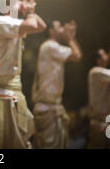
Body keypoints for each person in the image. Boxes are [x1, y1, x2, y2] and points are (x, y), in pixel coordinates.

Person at [0, 0, 46, 148]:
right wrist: (30, 12)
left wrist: (29, 11)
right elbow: (33, 25)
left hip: (10, 92)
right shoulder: (0, 21)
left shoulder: (10, 22)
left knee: (20, 141)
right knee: (8, 144)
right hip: (3, 94)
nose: (19, 2)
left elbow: (41, 27)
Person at [31, 20, 82, 148]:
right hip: (47, 108)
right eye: (59, 26)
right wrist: (70, 38)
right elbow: (77, 55)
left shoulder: (52, 47)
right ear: (51, 31)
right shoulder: (50, 46)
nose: (62, 29)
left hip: (52, 107)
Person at [87, 47, 110, 149]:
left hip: (108, 120)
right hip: (100, 121)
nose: (107, 55)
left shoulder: (100, 73)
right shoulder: (95, 71)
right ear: (98, 60)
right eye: (104, 54)